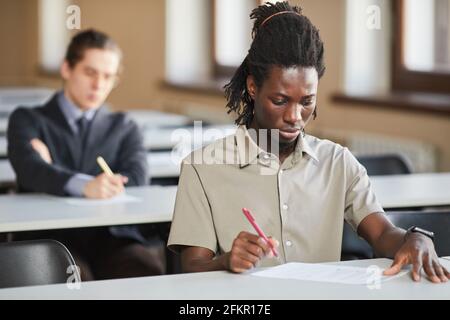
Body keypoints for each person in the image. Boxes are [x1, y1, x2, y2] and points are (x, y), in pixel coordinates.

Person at [168, 1, 449, 283]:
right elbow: (192, 268)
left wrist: (415, 238)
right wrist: (227, 260)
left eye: (307, 102)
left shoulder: (338, 162)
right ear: (253, 87)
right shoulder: (202, 168)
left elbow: (383, 234)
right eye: (280, 101)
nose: (294, 116)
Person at [7, 29, 165, 280]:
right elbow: (31, 170)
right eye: (90, 72)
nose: (98, 85)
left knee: (146, 270)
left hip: (111, 235)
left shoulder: (124, 126)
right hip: (51, 235)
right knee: (75, 278)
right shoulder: (27, 119)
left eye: (108, 76)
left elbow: (136, 179)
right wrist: (86, 185)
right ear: (67, 69)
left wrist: (55, 171)